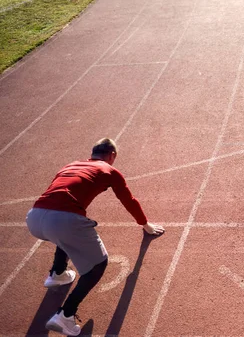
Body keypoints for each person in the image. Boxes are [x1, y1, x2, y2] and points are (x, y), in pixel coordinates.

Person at [26, 138, 164, 336]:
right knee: (98, 264)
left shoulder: (71, 165)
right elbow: (129, 200)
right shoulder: (109, 170)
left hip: (34, 217)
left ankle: (57, 274)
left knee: (65, 236)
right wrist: (145, 224)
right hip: (64, 219)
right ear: (112, 155)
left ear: (92, 153)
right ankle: (66, 314)